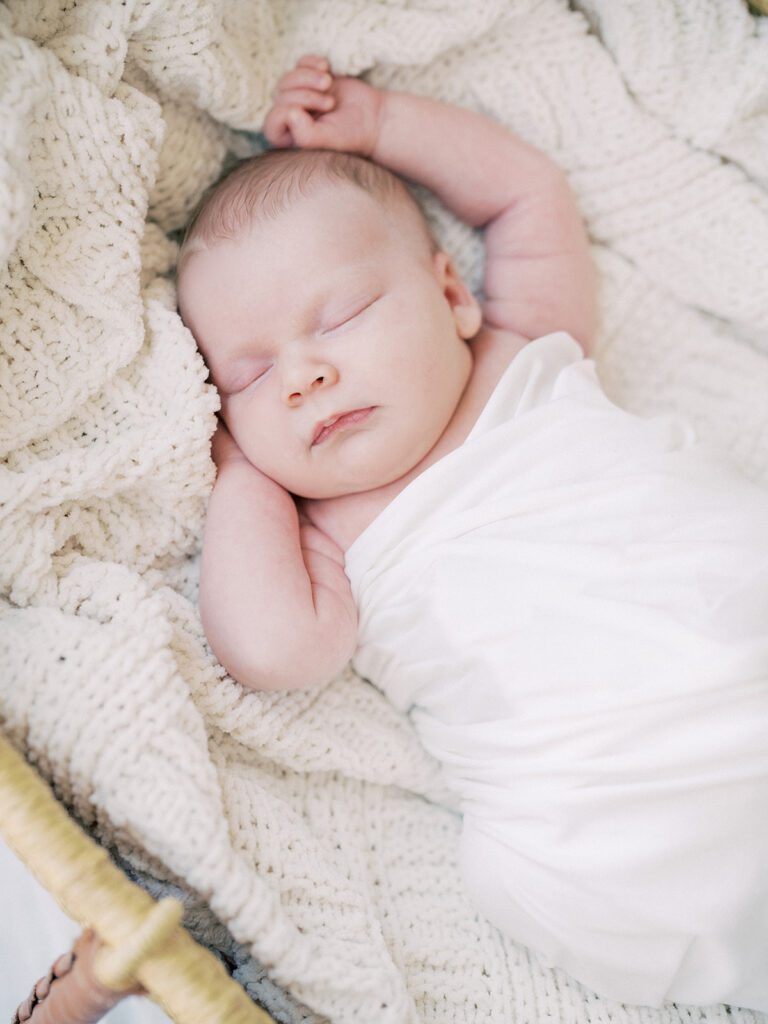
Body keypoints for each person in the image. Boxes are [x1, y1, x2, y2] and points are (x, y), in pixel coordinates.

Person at [177, 56, 768, 1012]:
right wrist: (242, 473)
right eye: (246, 377)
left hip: (732, 633)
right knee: (519, 881)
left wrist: (376, 122)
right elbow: (273, 650)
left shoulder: (523, 351)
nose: (301, 377)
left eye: (342, 316)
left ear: (451, 295)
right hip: (602, 797)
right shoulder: (329, 531)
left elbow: (524, 194)